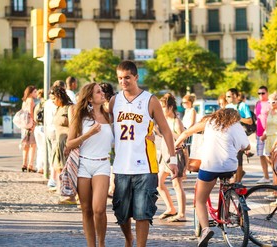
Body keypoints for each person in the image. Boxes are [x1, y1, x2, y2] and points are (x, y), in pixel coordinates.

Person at [109, 61, 178, 247]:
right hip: (121, 166)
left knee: (143, 212)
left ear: (136, 77)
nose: (123, 81)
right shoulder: (114, 101)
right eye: (120, 78)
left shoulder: (150, 100)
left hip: (145, 166)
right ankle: (128, 238)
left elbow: (166, 130)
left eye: (127, 78)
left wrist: (173, 160)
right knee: (121, 212)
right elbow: (107, 128)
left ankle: (140, 245)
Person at [174, 108, 250, 247]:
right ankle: (225, 211)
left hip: (210, 165)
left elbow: (186, 132)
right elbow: (247, 145)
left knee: (200, 200)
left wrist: (175, 145)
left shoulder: (209, 122)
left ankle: (205, 229)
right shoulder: (236, 126)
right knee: (225, 183)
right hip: (230, 167)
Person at [65, 83, 114, 247]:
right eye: (98, 92)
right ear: (90, 98)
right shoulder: (80, 117)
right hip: (83, 164)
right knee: (86, 209)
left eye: (102, 91)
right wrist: (88, 134)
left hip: (103, 164)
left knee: (99, 209)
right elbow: (69, 144)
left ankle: (101, 243)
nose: (102, 94)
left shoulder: (110, 116)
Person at [157, 93, 187, 222]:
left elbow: (184, 143)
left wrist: (186, 164)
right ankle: (171, 208)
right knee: (158, 183)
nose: (161, 109)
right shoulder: (163, 120)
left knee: (177, 185)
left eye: (163, 107)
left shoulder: (177, 122)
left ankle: (181, 213)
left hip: (176, 156)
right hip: (164, 155)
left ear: (170, 107)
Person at [225, 88, 252, 182]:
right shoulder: (227, 106)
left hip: (239, 135)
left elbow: (250, 121)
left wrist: (237, 118)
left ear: (235, 96)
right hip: (229, 135)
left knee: (238, 159)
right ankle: (235, 178)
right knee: (230, 157)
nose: (227, 98)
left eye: (229, 96)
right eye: (226, 96)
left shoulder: (243, 106)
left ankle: (238, 182)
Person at [20, 86, 38, 172]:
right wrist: (34, 124)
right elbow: (31, 113)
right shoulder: (31, 100)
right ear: (30, 93)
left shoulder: (25, 101)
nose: (36, 93)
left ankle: (24, 163)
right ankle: (30, 165)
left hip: (24, 125)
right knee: (33, 145)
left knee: (25, 145)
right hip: (30, 125)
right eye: (35, 91)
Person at [255, 86, 271, 184]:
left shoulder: (270, 103)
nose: (261, 95)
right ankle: (266, 176)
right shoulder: (257, 104)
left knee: (269, 156)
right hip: (259, 133)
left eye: (263, 93)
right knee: (261, 155)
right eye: (259, 93)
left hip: (268, 134)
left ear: (267, 93)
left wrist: (266, 132)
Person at [33, 89, 46, 174]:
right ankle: (44, 167)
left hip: (37, 127)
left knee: (39, 148)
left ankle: (39, 166)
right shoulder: (47, 103)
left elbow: (34, 118)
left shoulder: (37, 105)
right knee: (45, 148)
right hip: (44, 127)